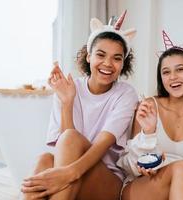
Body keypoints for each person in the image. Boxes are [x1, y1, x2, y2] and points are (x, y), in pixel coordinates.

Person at [21, 12, 138, 200]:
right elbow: (67, 145)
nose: (108, 63)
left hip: (106, 180)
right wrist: (67, 102)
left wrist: (69, 173)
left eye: (117, 58)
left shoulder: (126, 94)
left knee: (69, 139)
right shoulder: (69, 88)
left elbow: (101, 145)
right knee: (44, 159)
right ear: (89, 56)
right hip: (72, 170)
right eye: (101, 54)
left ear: (123, 64)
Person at [117, 46, 183, 200]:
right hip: (141, 188)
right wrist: (148, 133)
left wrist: (172, 171)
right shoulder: (149, 107)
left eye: (180, 69)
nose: (172, 77)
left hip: (178, 188)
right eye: (166, 72)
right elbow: (130, 165)